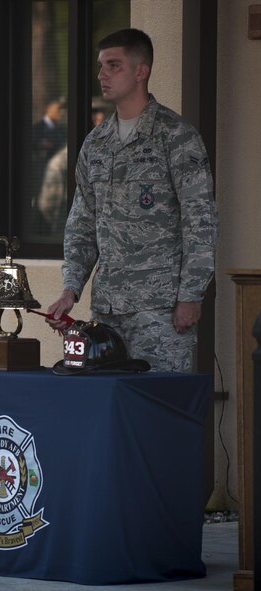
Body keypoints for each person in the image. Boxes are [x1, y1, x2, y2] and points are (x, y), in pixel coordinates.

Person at [45, 29, 218, 372]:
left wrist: (191, 295)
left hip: (160, 313)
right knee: (112, 414)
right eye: (101, 66)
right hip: (106, 313)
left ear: (141, 71)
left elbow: (200, 221)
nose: (102, 75)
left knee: (160, 412)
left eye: (114, 65)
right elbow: (82, 222)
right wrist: (70, 289)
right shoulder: (96, 144)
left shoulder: (177, 137)